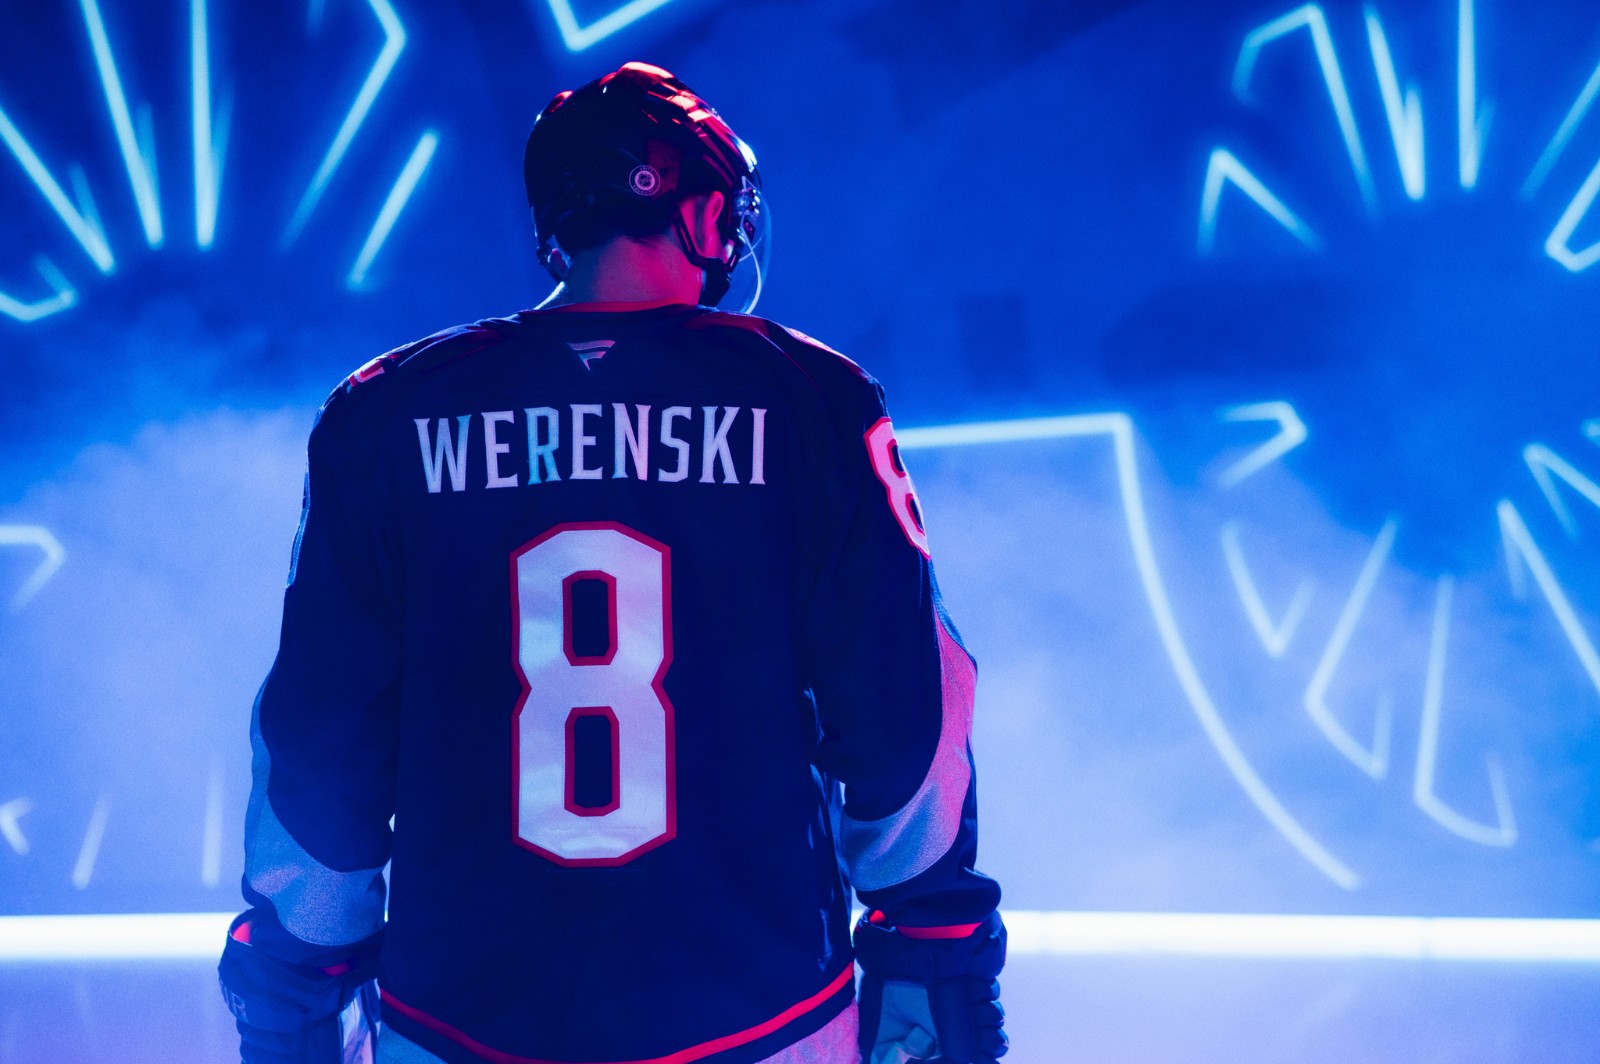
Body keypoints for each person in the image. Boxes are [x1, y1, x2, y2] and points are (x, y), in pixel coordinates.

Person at [217, 61, 1007, 1064]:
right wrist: (933, 933)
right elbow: (907, 711)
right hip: (757, 1009)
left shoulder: (384, 409)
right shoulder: (813, 397)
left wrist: (299, 962)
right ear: (705, 211)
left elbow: (322, 736)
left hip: (461, 1013)